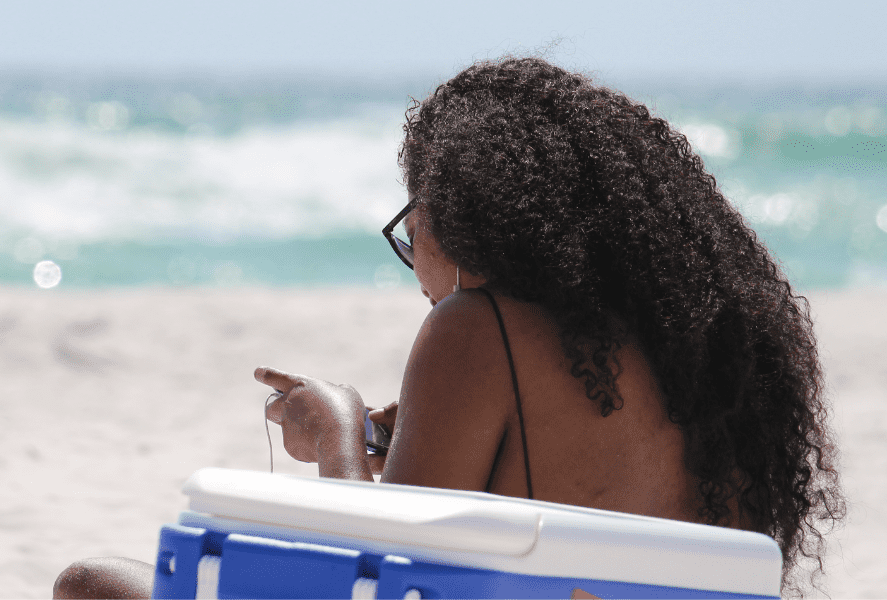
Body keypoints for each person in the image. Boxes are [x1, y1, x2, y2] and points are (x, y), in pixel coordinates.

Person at [53, 57, 843, 599]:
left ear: (463, 214)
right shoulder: (719, 353)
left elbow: (381, 570)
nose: (413, 255)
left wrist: (334, 428)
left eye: (411, 222)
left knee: (93, 582)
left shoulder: (479, 330)